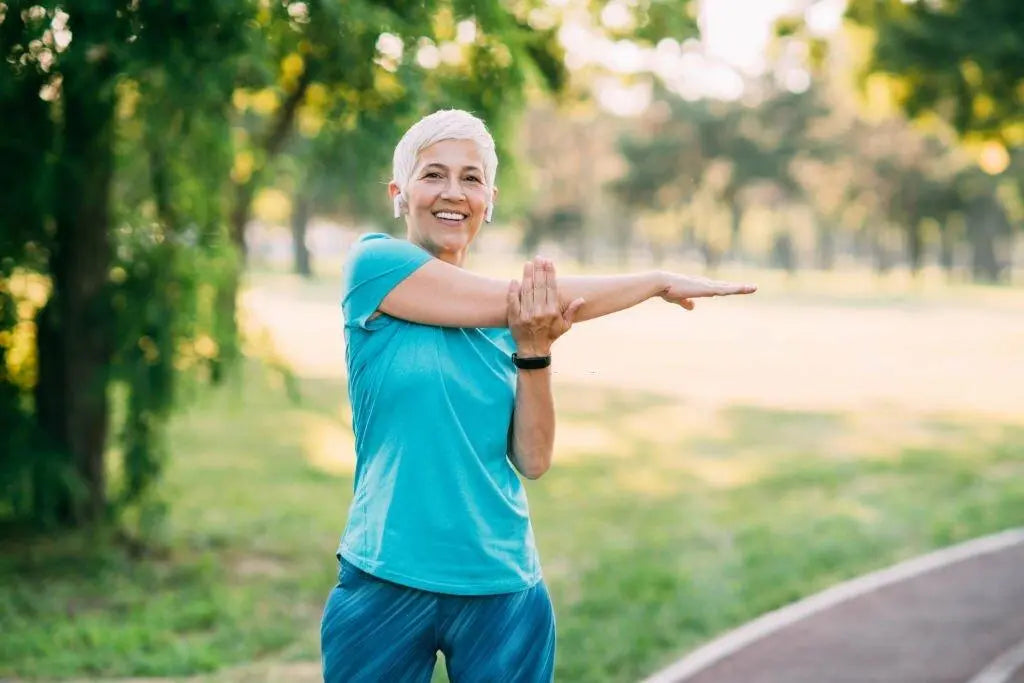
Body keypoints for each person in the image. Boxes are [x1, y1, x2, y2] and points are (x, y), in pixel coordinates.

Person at [320, 109, 756, 682]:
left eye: (471, 178)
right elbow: (518, 298)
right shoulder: (375, 267)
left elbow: (533, 459)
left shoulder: (515, 316)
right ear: (400, 193)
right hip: (386, 576)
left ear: (490, 199)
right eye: (433, 175)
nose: (453, 192)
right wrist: (654, 282)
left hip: (501, 585)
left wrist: (533, 349)